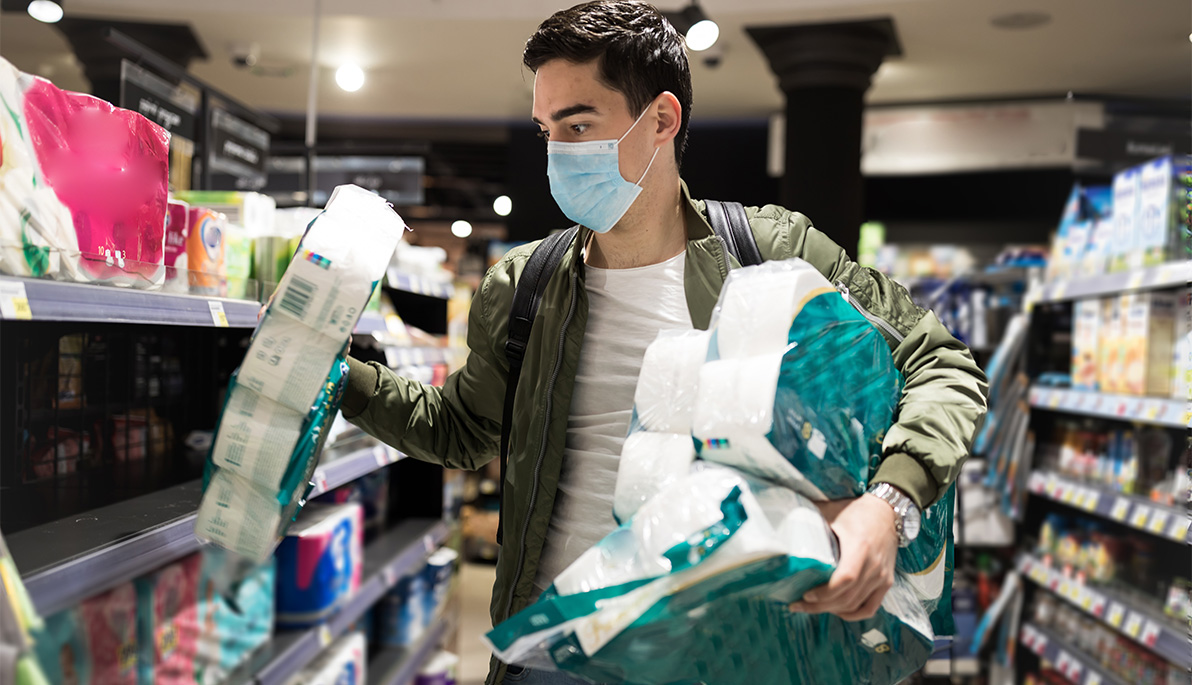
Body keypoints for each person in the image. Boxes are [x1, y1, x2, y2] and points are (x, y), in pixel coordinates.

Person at [342, 2, 988, 683]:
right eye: (546, 131)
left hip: (731, 652)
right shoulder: (523, 285)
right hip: (559, 649)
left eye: (579, 125)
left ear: (661, 120)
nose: (558, 153)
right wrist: (336, 375)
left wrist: (891, 502)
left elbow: (940, 362)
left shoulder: (770, 257)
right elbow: (463, 430)